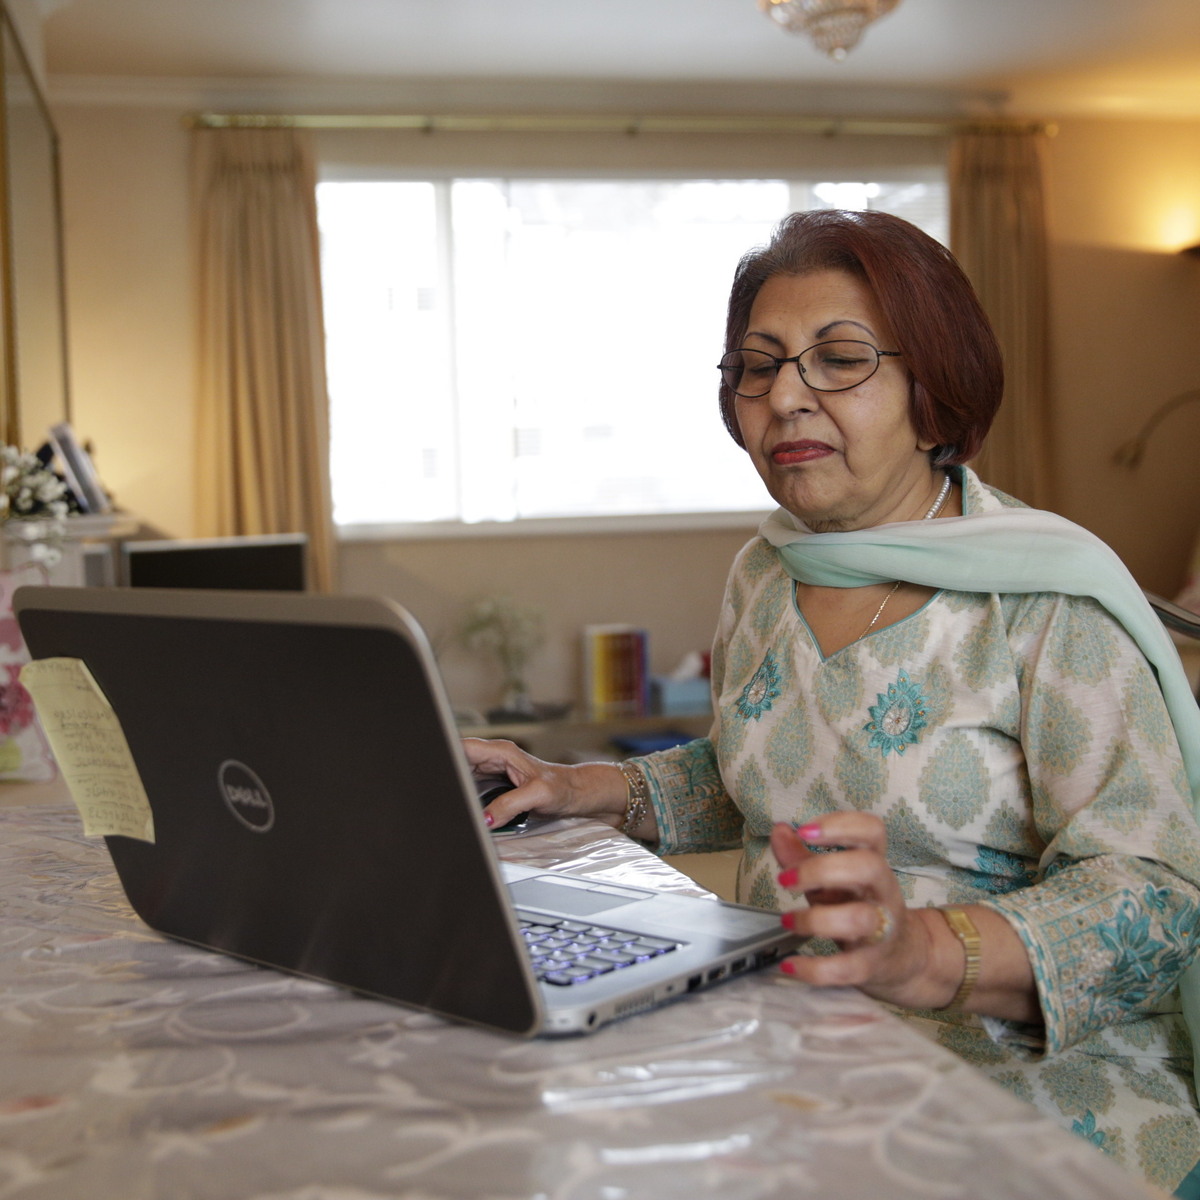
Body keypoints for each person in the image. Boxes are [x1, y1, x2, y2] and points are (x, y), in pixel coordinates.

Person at [464, 209, 1200, 1196]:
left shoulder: (1047, 595)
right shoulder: (766, 574)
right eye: (758, 367)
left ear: (930, 394)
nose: (786, 397)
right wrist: (583, 787)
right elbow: (761, 772)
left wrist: (926, 955)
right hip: (800, 1055)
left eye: (839, 359)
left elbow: (1157, 896)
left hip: (1025, 1100)